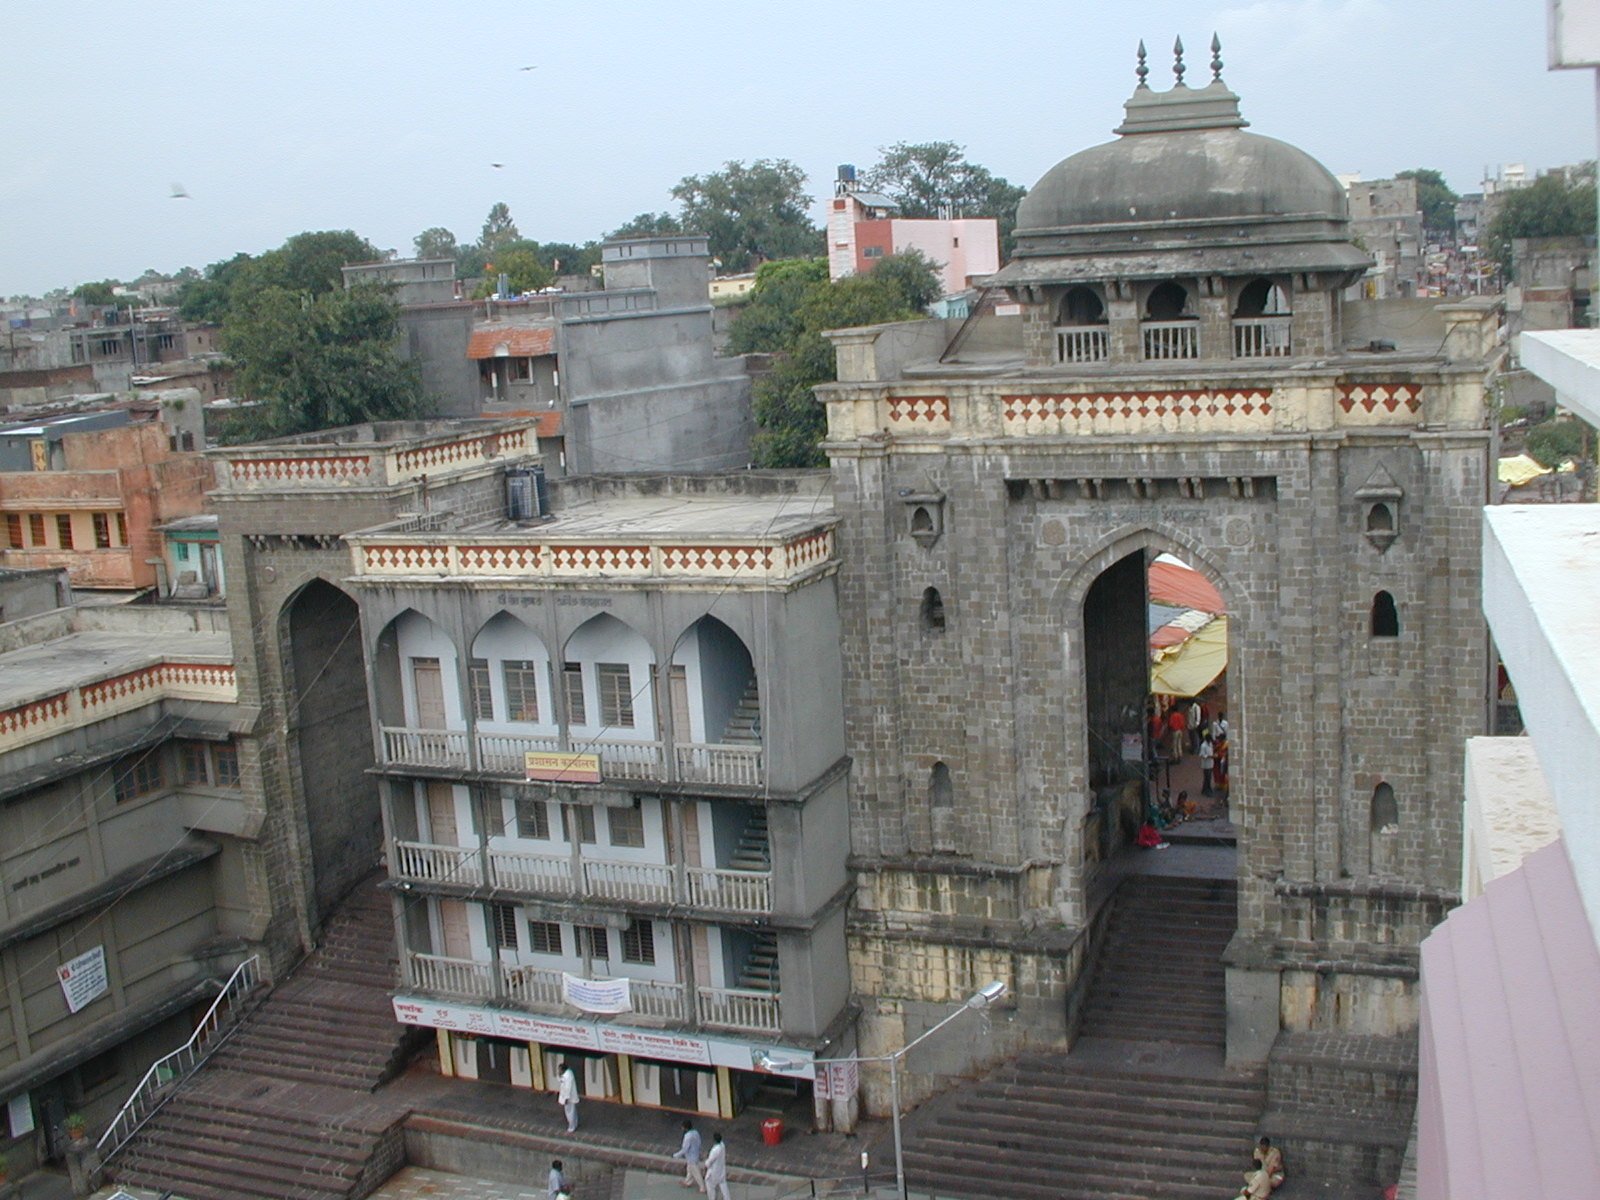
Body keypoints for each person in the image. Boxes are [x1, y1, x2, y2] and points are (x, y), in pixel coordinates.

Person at [672, 1119, 705, 1190]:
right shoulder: (696, 1132)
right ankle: (688, 1182)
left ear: (685, 1127)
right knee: (689, 1169)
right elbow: (699, 1143)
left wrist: (676, 1155)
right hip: (696, 1154)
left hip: (691, 1157)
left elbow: (685, 1149)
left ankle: (702, 1187)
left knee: (696, 1172)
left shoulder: (688, 1136)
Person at [704, 1131, 730, 1200]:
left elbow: (710, 1160)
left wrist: (706, 1164)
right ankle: (727, 1198)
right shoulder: (722, 1145)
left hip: (714, 1171)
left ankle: (712, 1198)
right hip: (721, 1168)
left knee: (710, 1184)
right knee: (723, 1183)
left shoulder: (715, 1150)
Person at [556, 1060, 579, 1133]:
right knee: (572, 1111)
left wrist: (566, 1098)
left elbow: (568, 1088)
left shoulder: (568, 1076)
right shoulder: (566, 1074)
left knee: (569, 1111)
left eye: (559, 1070)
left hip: (569, 1097)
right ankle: (574, 1124)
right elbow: (560, 1080)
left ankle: (572, 1126)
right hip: (568, 1096)